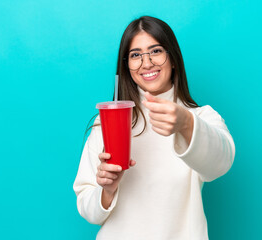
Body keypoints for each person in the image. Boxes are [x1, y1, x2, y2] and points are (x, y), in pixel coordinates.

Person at [73, 16, 235, 240]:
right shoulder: (107, 124)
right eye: (136, 55)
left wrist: (185, 123)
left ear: (173, 58)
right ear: (127, 66)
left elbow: (220, 164)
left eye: (156, 51)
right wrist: (107, 191)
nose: (146, 63)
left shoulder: (201, 117)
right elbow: (87, 208)